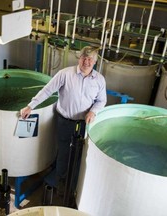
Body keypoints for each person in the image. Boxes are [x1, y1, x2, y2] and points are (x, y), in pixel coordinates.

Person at [20, 46, 107, 197]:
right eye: (83, 58)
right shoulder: (65, 74)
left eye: (90, 59)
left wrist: (93, 111)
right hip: (65, 122)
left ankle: (73, 185)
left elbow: (101, 101)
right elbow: (47, 90)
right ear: (79, 58)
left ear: (95, 62)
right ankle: (61, 185)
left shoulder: (99, 80)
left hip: (84, 125)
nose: (86, 62)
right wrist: (30, 106)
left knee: (80, 154)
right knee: (64, 153)